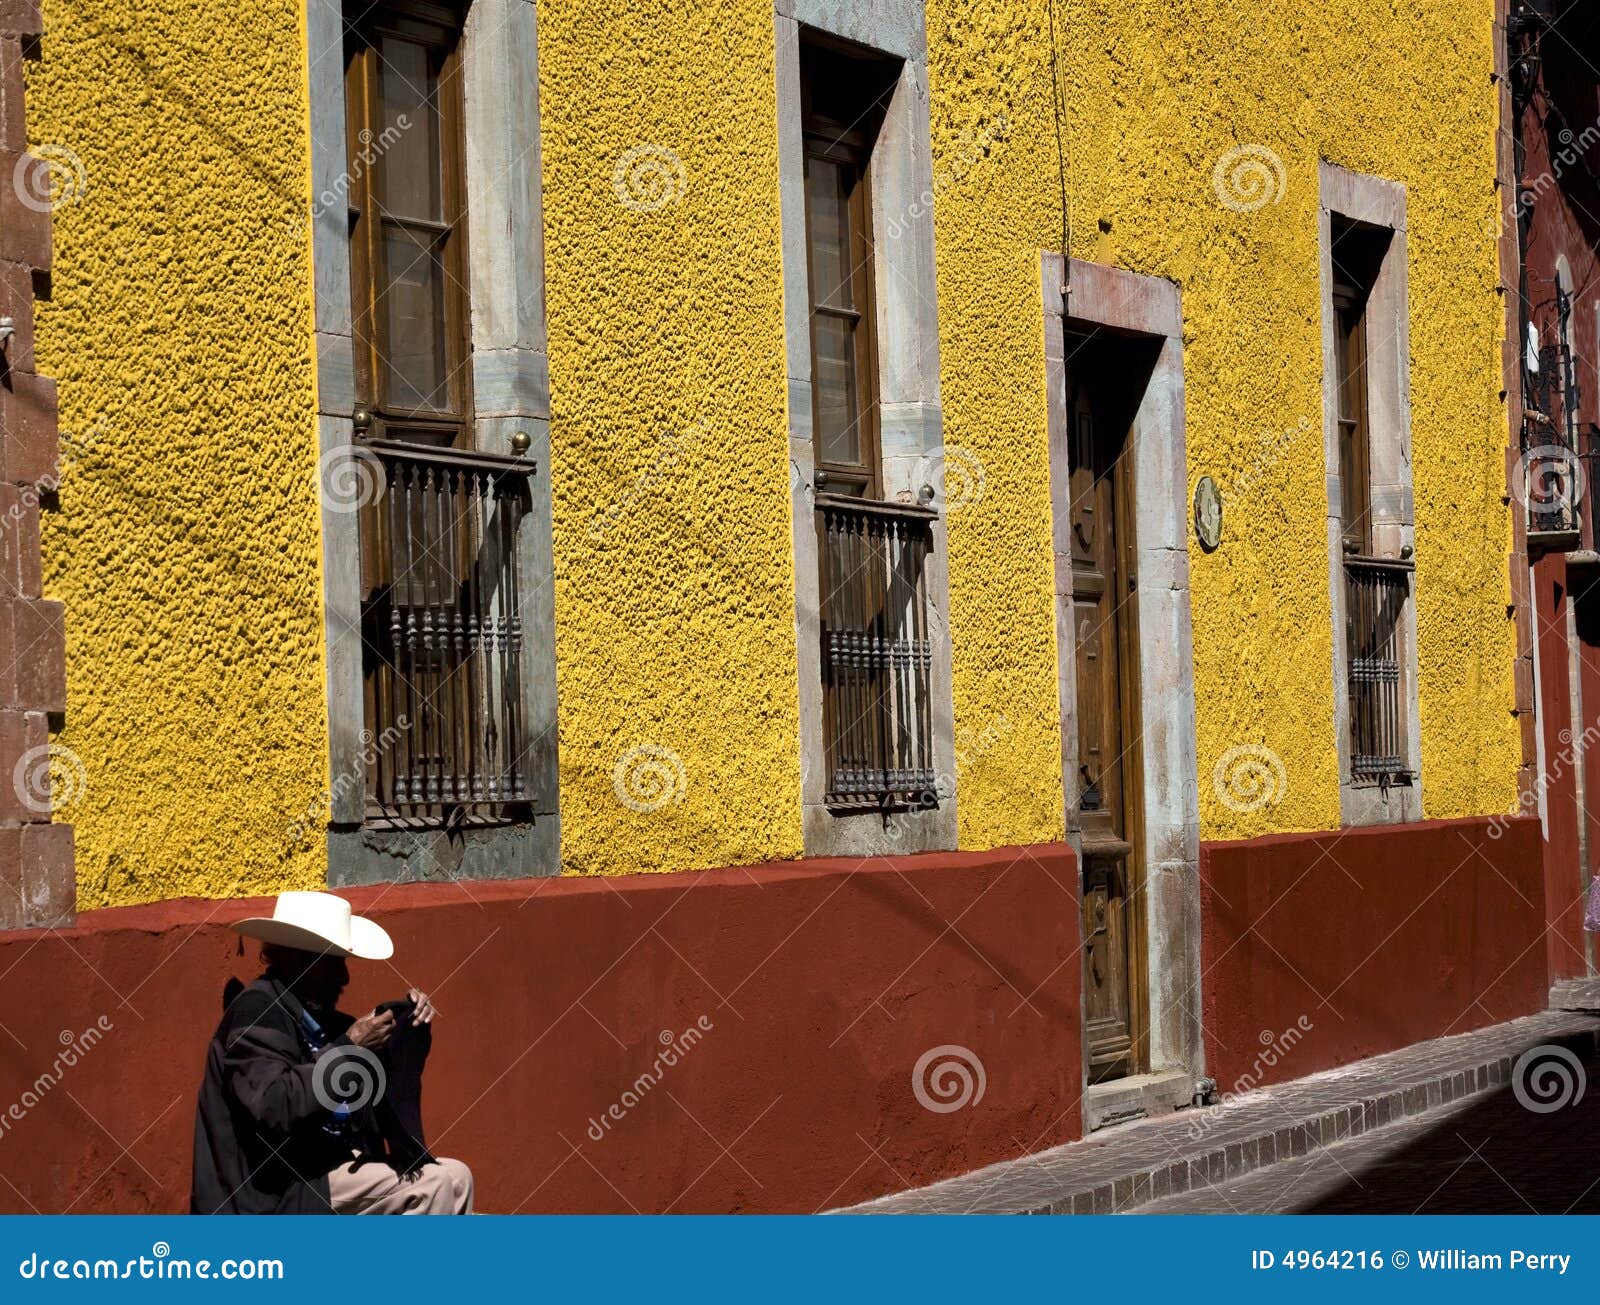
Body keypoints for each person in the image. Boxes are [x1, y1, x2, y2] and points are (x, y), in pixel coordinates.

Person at [190, 890, 473, 1214]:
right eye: (333, 963)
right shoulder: (256, 1015)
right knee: (430, 1187)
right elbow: (273, 1106)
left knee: (458, 1178)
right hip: (273, 1188)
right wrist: (349, 1048)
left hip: (325, 1165)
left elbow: (378, 1093)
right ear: (296, 960)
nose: (344, 977)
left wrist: (409, 1026)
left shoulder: (326, 1021)